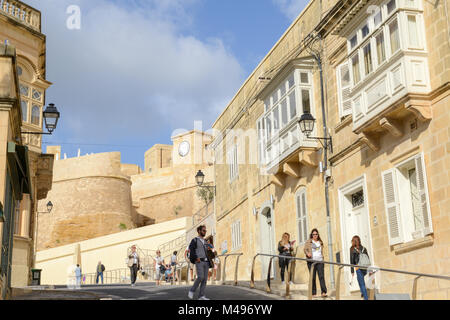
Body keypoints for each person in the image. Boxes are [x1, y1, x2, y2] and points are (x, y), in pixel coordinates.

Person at [187, 225, 212, 300]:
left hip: (206, 262)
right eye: (203, 230)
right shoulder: (195, 240)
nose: (205, 232)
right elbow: (191, 249)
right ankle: (192, 290)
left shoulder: (205, 241)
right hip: (199, 261)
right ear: (199, 231)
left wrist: (210, 249)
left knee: (204, 280)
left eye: (205, 231)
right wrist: (195, 257)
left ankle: (201, 296)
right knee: (200, 277)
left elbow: (209, 249)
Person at [304, 229, 327, 297]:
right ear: (312, 235)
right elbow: (305, 249)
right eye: (313, 234)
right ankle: (313, 293)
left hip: (320, 261)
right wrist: (307, 253)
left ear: (318, 235)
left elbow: (321, 251)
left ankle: (323, 292)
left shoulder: (320, 242)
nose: (315, 236)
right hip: (311, 262)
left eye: (316, 234)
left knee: (321, 276)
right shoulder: (308, 242)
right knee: (313, 277)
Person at [350, 235, 371, 300]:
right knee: (360, 280)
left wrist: (352, 271)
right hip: (365, 267)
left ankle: (366, 298)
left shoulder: (352, 249)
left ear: (353, 242)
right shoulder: (364, 248)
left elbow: (351, 260)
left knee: (362, 284)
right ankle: (362, 292)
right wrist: (370, 269)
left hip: (358, 268)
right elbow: (368, 258)